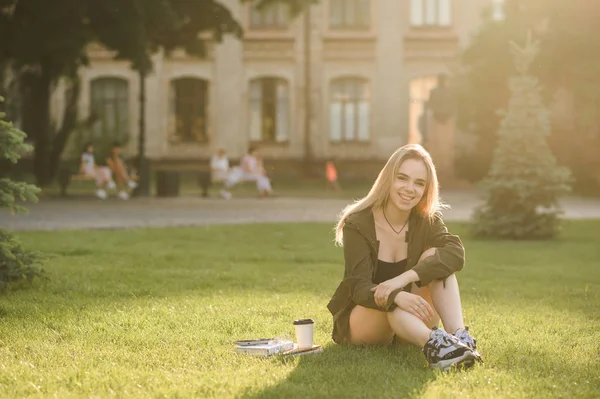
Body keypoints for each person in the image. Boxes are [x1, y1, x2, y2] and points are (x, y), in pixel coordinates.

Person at [327, 144, 482, 371]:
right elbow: (358, 287)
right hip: (365, 321)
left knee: (436, 258)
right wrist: (397, 296)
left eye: (419, 183)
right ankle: (438, 348)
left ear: (426, 189)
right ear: (388, 179)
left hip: (412, 319)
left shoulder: (426, 220)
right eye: (402, 178)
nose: (409, 188)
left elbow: (456, 253)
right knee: (393, 307)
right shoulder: (358, 223)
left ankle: (459, 339)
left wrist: (402, 279)